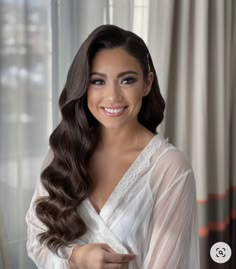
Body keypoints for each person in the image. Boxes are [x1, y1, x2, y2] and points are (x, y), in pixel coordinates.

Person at [26, 24, 200, 269]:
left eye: (127, 80)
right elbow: (36, 241)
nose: (113, 97)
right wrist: (76, 258)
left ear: (147, 83)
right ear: (83, 86)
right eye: (98, 81)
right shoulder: (65, 150)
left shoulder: (170, 168)